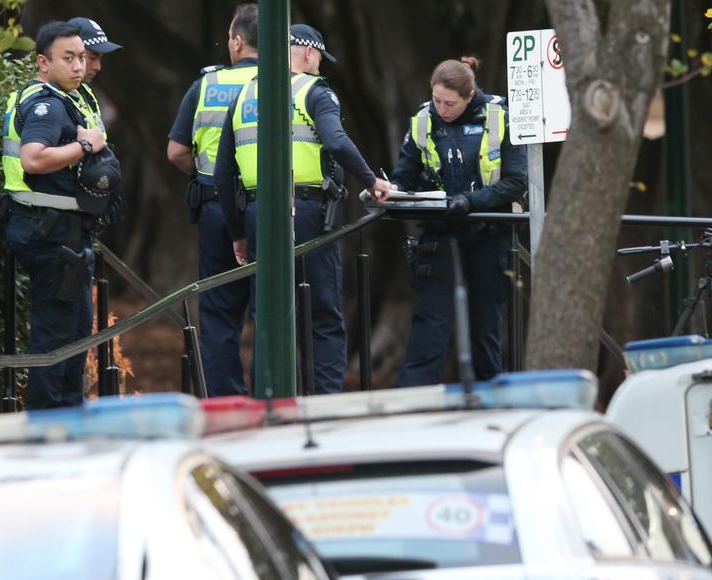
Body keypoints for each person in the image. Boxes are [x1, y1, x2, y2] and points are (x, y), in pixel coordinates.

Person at [214, 23, 391, 395]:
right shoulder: (314, 90)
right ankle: (324, 405)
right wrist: (372, 181)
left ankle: (270, 402)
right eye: (320, 60)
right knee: (323, 314)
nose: (320, 67)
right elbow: (337, 142)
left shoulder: (244, 94)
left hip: (257, 214)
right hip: (308, 212)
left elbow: (222, 173)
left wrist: (238, 233)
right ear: (309, 54)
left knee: (268, 317)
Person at [0, 21, 121, 409]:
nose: (78, 66)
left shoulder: (67, 97)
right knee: (56, 336)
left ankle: (70, 415)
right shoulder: (47, 104)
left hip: (62, 230)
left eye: (81, 57)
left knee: (73, 331)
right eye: (68, 58)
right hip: (50, 233)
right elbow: (33, 158)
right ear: (43, 63)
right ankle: (50, 425)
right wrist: (85, 145)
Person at [390, 56, 527, 386]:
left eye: (449, 103)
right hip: (440, 234)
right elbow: (404, 177)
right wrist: (391, 192)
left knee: (485, 333)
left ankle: (491, 409)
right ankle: (411, 410)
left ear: (469, 96)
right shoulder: (423, 119)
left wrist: (470, 201)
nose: (441, 109)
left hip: (488, 236)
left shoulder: (499, 116)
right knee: (429, 331)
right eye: (436, 100)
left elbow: (515, 181)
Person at [167, 4, 259, 396]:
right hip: (269, 210)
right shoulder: (288, 83)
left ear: (237, 41)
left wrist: (207, 178)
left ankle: (226, 405)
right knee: (273, 306)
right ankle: (275, 398)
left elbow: (176, 151)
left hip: (215, 209)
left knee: (219, 312)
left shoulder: (206, 85)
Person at [68, 17, 123, 135]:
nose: (98, 67)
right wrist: (85, 146)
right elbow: (35, 152)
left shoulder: (84, 93)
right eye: (92, 57)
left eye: (100, 58)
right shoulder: (47, 99)